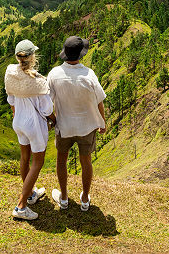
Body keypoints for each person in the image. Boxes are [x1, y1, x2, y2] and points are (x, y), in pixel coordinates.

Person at [47, 36, 106, 212]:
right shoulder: (89, 74)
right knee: (86, 161)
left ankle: (64, 198)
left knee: (61, 160)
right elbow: (99, 102)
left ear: (65, 54)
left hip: (64, 126)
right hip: (86, 126)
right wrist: (102, 122)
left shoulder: (54, 74)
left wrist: (54, 119)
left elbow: (46, 102)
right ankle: (85, 199)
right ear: (81, 54)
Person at [5, 39, 55, 220]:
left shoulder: (10, 73)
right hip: (34, 125)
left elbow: (11, 101)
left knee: (24, 158)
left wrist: (17, 116)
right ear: (32, 57)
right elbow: (47, 109)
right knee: (37, 163)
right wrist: (54, 120)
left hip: (18, 121)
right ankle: (21, 205)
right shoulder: (38, 81)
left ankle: (31, 194)